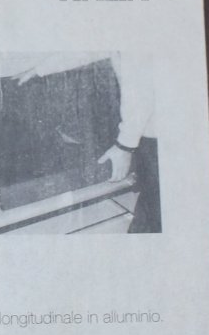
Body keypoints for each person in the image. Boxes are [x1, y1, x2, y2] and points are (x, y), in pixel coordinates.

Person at [15, 53, 159, 232]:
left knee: (155, 207)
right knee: (152, 202)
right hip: (150, 129)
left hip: (159, 131)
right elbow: (85, 49)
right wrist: (39, 69)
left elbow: (140, 91)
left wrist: (125, 146)